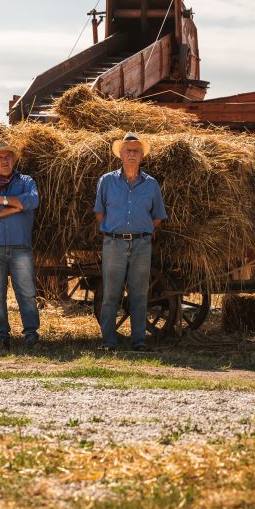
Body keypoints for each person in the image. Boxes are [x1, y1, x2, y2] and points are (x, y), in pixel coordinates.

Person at [93, 132, 167, 352]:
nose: (132, 154)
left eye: (136, 151)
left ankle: (138, 342)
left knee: (139, 294)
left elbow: (157, 217)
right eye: (128, 150)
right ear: (121, 155)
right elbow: (99, 212)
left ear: (142, 155)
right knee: (111, 294)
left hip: (141, 245)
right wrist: (116, 231)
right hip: (114, 244)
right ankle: (108, 341)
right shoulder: (107, 181)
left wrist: (139, 232)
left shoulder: (151, 184)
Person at [0, 139, 40, 350]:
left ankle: (31, 334)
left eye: (8, 157)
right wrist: (15, 206)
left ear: (14, 160)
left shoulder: (26, 181)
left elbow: (32, 201)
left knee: (27, 293)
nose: (4, 161)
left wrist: (1, 200)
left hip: (20, 246)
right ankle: (2, 335)